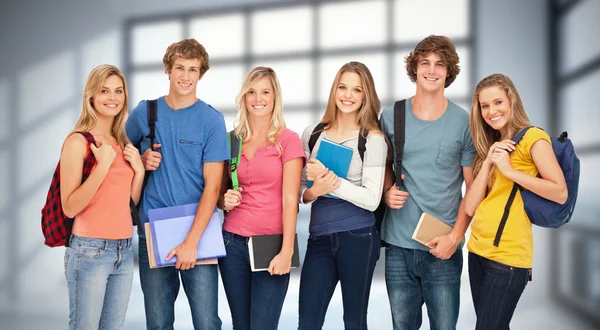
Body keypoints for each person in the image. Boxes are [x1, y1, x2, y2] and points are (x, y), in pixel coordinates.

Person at [125, 38, 228, 330]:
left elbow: (212, 187)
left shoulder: (211, 120)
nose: (185, 76)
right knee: (158, 323)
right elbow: (119, 155)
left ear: (201, 74)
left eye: (192, 70)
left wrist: (191, 243)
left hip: (199, 230)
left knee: (207, 322)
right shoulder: (146, 113)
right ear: (168, 70)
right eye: (179, 68)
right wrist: (141, 159)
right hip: (153, 230)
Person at [379, 35, 475, 330]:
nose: (432, 70)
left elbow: (473, 190)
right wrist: (386, 191)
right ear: (415, 68)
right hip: (398, 245)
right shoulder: (392, 115)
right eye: (425, 62)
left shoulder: (464, 122)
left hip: (443, 246)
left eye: (440, 64)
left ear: (449, 72)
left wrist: (455, 238)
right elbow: (382, 164)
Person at [465, 74, 567, 330]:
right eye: (485, 106)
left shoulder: (534, 138)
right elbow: (469, 207)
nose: (491, 111)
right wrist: (488, 162)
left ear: (511, 100)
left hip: (508, 258)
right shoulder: (494, 145)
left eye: (498, 102)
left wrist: (510, 172)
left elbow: (559, 191)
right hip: (477, 251)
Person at [297, 61, 386, 330]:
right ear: (334, 90)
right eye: (342, 87)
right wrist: (315, 190)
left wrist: (330, 181)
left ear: (365, 95)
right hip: (319, 239)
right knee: (308, 323)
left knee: (354, 323)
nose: (348, 95)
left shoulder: (372, 139)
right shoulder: (312, 135)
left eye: (356, 90)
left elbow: (372, 199)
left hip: (358, 238)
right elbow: (300, 191)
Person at [216, 66, 305, 330]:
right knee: (241, 325)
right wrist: (224, 201)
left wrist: (287, 250)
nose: (258, 98)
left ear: (275, 97)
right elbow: (220, 193)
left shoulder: (288, 141)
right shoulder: (232, 140)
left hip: (271, 243)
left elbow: (291, 200)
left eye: (265, 92)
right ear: (244, 97)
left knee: (263, 326)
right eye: (252, 92)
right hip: (232, 243)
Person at [61, 64, 144, 329]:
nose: (112, 97)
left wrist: (139, 171)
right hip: (89, 250)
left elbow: (128, 204)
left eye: (118, 91)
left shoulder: (123, 142)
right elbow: (69, 207)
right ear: (91, 97)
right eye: (104, 91)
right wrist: (103, 166)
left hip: (123, 249)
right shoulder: (78, 142)